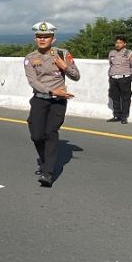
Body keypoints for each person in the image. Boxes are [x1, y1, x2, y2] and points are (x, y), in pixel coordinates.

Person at [23, 21, 80, 187]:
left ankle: (47, 173)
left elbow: (76, 76)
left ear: (53, 39)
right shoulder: (30, 58)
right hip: (40, 99)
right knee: (36, 135)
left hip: (58, 102)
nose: (42, 39)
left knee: (50, 133)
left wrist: (65, 67)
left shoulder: (63, 54)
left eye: (46, 36)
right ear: (35, 39)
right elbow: (32, 81)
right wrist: (51, 91)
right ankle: (45, 160)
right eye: (39, 36)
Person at [106, 35, 132, 124]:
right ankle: (116, 115)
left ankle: (124, 117)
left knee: (125, 98)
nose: (118, 44)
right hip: (113, 78)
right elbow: (111, 64)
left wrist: (127, 75)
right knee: (115, 97)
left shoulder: (129, 53)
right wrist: (111, 75)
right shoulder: (112, 53)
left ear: (124, 43)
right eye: (116, 42)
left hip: (124, 78)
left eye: (120, 42)